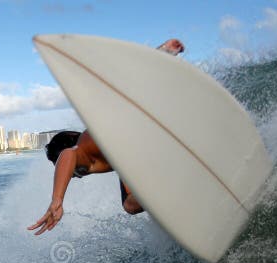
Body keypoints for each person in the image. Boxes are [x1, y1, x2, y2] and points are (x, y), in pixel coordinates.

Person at [28, 38, 185, 236]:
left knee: (129, 204)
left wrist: (57, 200)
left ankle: (167, 192)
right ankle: (163, 54)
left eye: (69, 172)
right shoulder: (102, 143)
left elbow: (68, 154)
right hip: (143, 128)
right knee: (130, 203)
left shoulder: (84, 154)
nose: (74, 176)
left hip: (138, 132)